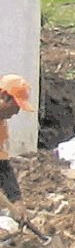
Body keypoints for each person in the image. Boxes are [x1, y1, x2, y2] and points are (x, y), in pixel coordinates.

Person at [0, 74, 34, 202]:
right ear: (4, 96)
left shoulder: (1, 126)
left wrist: (16, 199)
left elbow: (2, 166)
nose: (17, 112)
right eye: (17, 105)